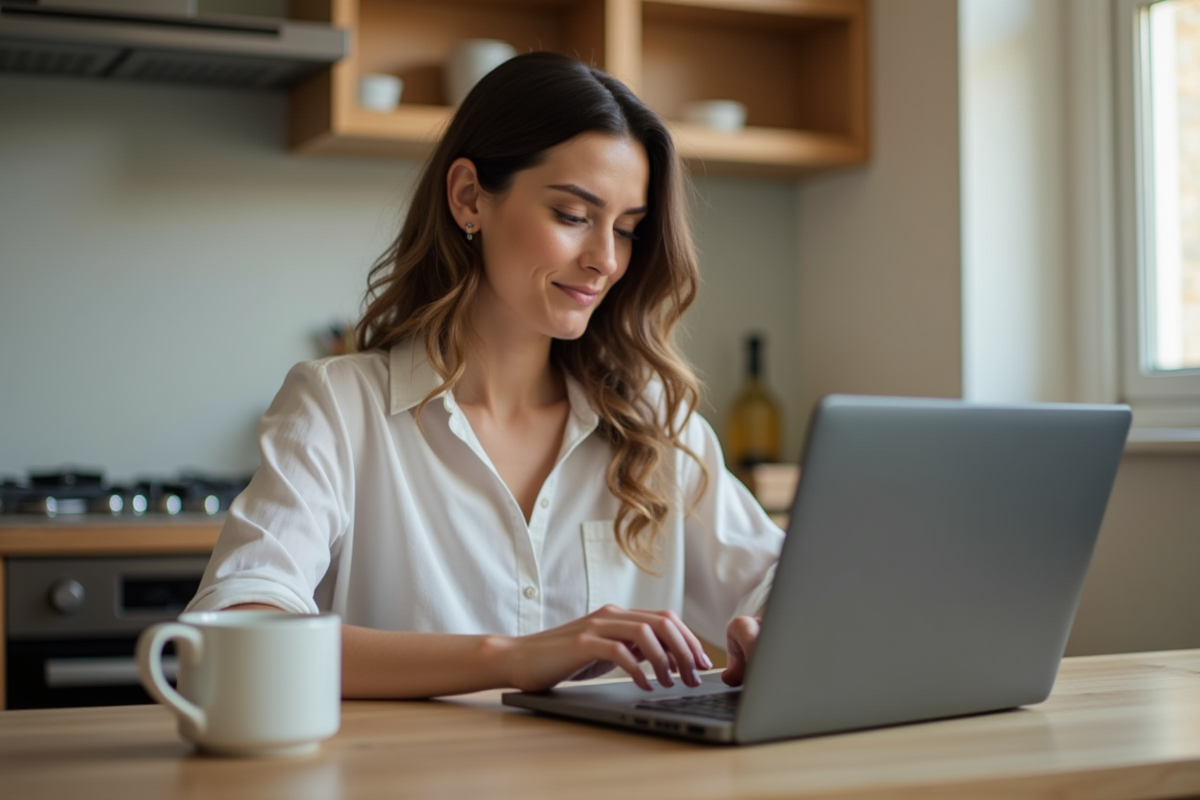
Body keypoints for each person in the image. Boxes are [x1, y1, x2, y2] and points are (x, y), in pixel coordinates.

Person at [186, 51, 783, 699]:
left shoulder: (658, 427)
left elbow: (787, 580)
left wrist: (779, 625)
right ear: (470, 198)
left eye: (629, 230)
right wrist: (512, 658)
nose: (606, 261)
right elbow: (231, 632)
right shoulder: (338, 406)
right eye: (573, 216)